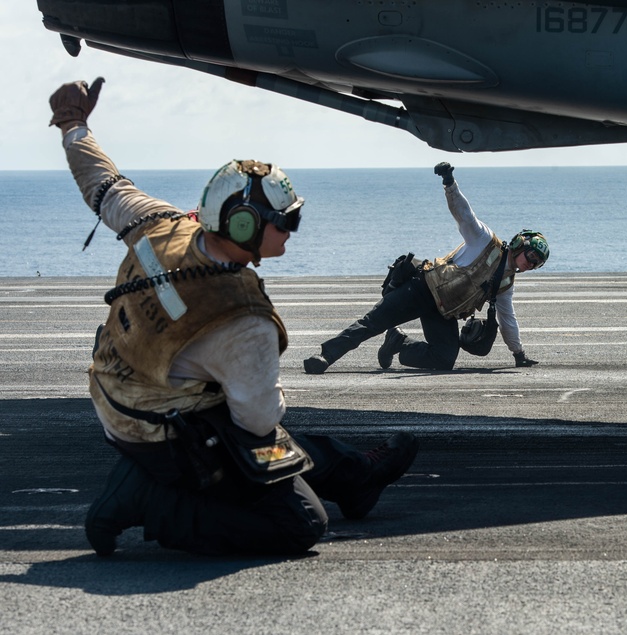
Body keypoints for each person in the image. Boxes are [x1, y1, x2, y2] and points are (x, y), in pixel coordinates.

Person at [50, 78, 418, 557]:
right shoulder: (243, 321)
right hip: (161, 433)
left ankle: (355, 477)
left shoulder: (160, 224)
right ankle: (145, 499)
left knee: (245, 422)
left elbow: (102, 184)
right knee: (300, 521)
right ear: (243, 224)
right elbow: (260, 423)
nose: (292, 227)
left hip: (115, 393)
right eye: (286, 220)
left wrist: (72, 123)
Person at [303, 162, 549, 373]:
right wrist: (449, 183)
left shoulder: (505, 284)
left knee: (444, 359)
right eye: (531, 256)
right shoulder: (485, 241)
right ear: (519, 245)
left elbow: (508, 319)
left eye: (537, 263)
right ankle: (326, 356)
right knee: (372, 323)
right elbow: (464, 214)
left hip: (443, 311)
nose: (531, 263)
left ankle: (399, 342)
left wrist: (518, 353)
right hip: (422, 289)